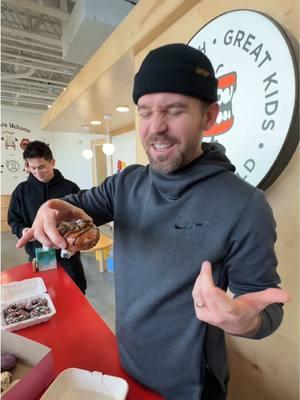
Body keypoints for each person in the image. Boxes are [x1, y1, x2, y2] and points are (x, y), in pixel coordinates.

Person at [17, 44, 290, 399]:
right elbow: (76, 205)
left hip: (189, 386)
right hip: (126, 363)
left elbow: (265, 304)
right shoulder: (126, 183)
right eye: (145, 113)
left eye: (175, 111)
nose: (156, 128)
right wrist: (51, 207)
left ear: (208, 117)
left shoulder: (244, 205)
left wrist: (248, 320)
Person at [8, 140, 87, 294]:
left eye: (42, 166)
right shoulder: (21, 191)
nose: (37, 172)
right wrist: (23, 230)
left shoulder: (70, 188)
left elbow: (82, 218)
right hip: (37, 255)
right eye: (33, 168)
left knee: (75, 296)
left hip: (68, 257)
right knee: (42, 297)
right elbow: (13, 219)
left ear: (52, 162)